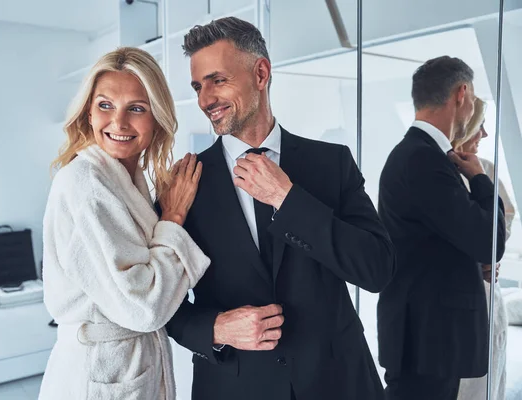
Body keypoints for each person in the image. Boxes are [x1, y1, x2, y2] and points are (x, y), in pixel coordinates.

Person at [164, 17, 395, 400]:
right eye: (197, 86)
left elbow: (377, 269)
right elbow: (160, 304)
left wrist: (288, 200)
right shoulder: (184, 184)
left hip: (338, 383)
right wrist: (216, 330)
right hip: (234, 387)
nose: (205, 99)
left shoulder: (332, 164)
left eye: (217, 80)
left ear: (261, 73)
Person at [39, 47, 210, 400]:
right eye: (105, 105)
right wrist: (174, 217)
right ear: (88, 112)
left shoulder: (129, 180)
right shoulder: (85, 183)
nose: (118, 123)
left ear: (156, 117)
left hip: (127, 364)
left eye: (136, 108)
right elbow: (144, 307)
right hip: (99, 370)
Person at [377, 56, 507, 400]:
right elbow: (488, 241)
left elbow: (442, 238)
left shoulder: (419, 154)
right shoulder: (423, 158)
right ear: (461, 94)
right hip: (428, 343)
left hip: (427, 340)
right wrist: (481, 179)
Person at [454, 97, 516, 400]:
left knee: (490, 382)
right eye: (480, 127)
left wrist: (491, 256)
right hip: (457, 305)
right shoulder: (434, 174)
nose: (485, 136)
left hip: (489, 298)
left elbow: (506, 217)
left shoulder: (486, 169)